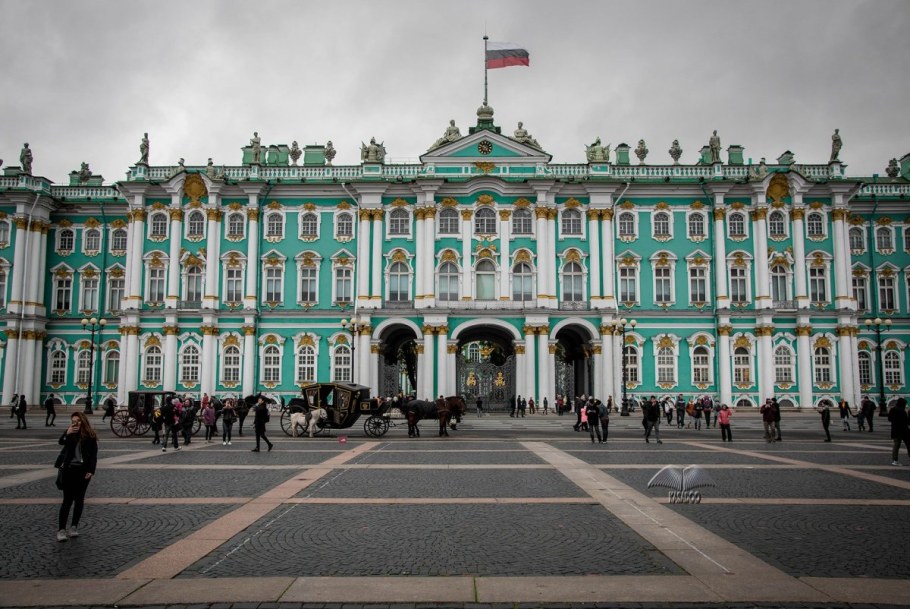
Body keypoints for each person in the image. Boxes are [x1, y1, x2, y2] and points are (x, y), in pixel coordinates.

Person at [56, 412, 98, 542]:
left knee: (79, 500)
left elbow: (93, 455)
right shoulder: (70, 433)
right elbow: (61, 442)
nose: (76, 423)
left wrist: (91, 470)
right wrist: (67, 433)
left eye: (78, 421)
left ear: (83, 421)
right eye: (73, 421)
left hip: (83, 472)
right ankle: (61, 529)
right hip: (69, 470)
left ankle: (74, 526)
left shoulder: (90, 436)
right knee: (67, 501)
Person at [888, 397, 909, 466]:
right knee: (908, 444)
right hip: (904, 430)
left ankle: (895, 460)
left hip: (895, 430)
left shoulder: (892, 409)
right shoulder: (902, 411)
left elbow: (889, 419)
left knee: (896, 446)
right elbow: (906, 421)